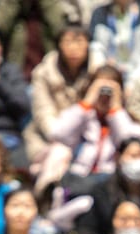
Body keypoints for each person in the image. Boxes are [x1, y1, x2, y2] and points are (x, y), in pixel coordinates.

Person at [35, 64, 140, 195]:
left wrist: (116, 110)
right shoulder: (81, 115)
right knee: (58, 151)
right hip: (77, 177)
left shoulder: (127, 120)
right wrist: (86, 102)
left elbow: (129, 144)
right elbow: (57, 134)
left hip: (111, 180)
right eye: (100, 89)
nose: (104, 95)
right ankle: (44, 199)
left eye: (111, 90)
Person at [25, 24, 95, 175]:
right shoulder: (43, 73)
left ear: (88, 44)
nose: (74, 47)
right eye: (68, 41)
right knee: (58, 154)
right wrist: (60, 134)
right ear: (59, 45)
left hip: (89, 134)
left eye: (79, 41)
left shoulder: (98, 71)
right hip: (50, 137)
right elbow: (44, 113)